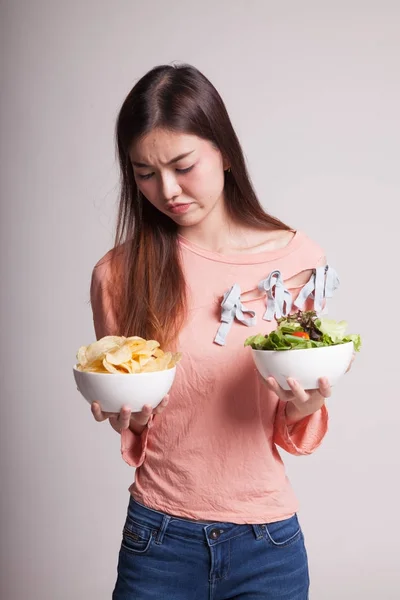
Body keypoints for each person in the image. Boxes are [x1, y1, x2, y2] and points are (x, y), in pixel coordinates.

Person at [89, 63, 346, 599]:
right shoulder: (118, 274)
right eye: (144, 173)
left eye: (183, 166)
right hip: (157, 540)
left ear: (223, 151)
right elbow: (139, 423)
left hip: (266, 544)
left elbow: (287, 414)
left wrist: (301, 409)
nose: (167, 190)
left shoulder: (299, 261)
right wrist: (125, 415)